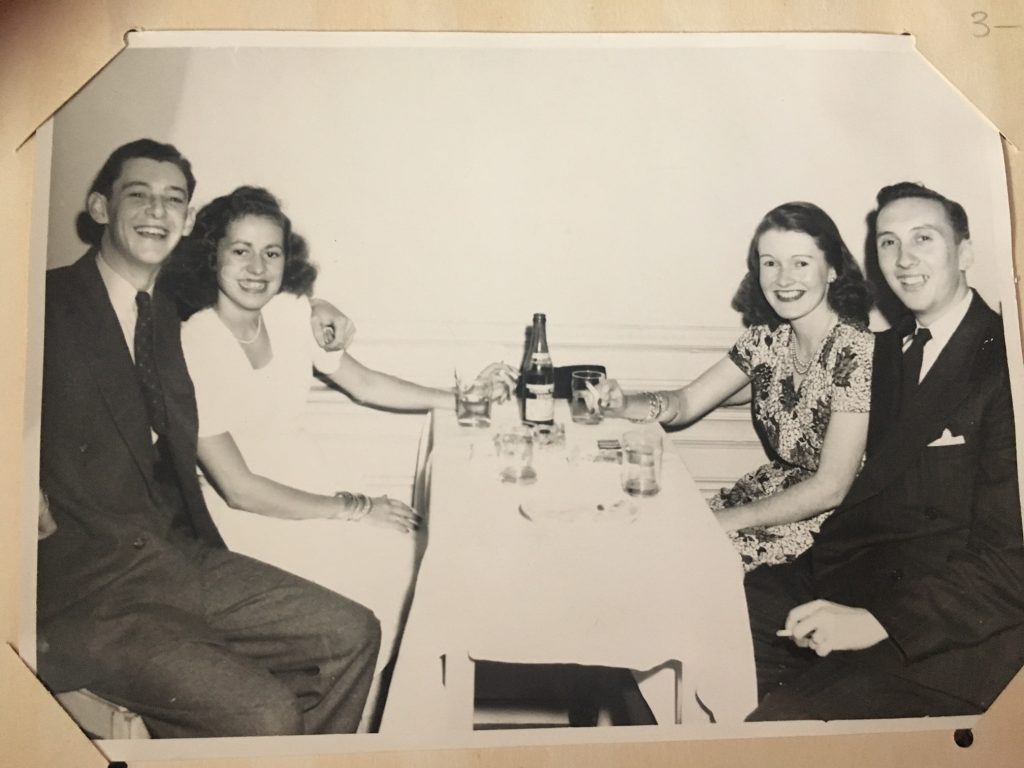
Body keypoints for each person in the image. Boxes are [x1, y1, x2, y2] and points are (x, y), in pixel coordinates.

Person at [37, 139, 380, 738]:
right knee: (266, 713)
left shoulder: (169, 311)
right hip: (89, 591)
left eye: (174, 199)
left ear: (189, 221)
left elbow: (253, 287)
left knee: (352, 630)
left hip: (178, 559)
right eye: (137, 194)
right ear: (98, 207)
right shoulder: (41, 302)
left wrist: (317, 303)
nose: (157, 210)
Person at [157, 185, 516, 728]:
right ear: (213, 256)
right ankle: (334, 736)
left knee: (418, 564)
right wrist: (354, 507)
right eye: (240, 250)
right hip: (251, 519)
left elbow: (366, 382)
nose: (257, 267)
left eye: (271, 252)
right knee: (388, 584)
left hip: (310, 484)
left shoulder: (289, 314)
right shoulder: (194, 342)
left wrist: (462, 401)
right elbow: (238, 488)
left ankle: (360, 731)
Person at [745, 182, 1024, 720]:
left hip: (944, 630)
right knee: (694, 621)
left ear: (965, 253)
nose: (904, 258)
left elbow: (1012, 564)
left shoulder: (1006, 365)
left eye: (924, 238)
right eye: (888, 243)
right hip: (855, 578)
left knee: (779, 730)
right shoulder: (886, 351)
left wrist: (877, 622)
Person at [591, 202, 875, 570]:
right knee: (646, 541)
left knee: (680, 561)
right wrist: (622, 402)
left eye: (801, 263)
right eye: (770, 263)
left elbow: (832, 487)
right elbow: (687, 403)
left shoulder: (856, 351)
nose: (783, 279)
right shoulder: (767, 339)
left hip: (834, 521)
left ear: (833, 269)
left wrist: (724, 522)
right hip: (772, 494)